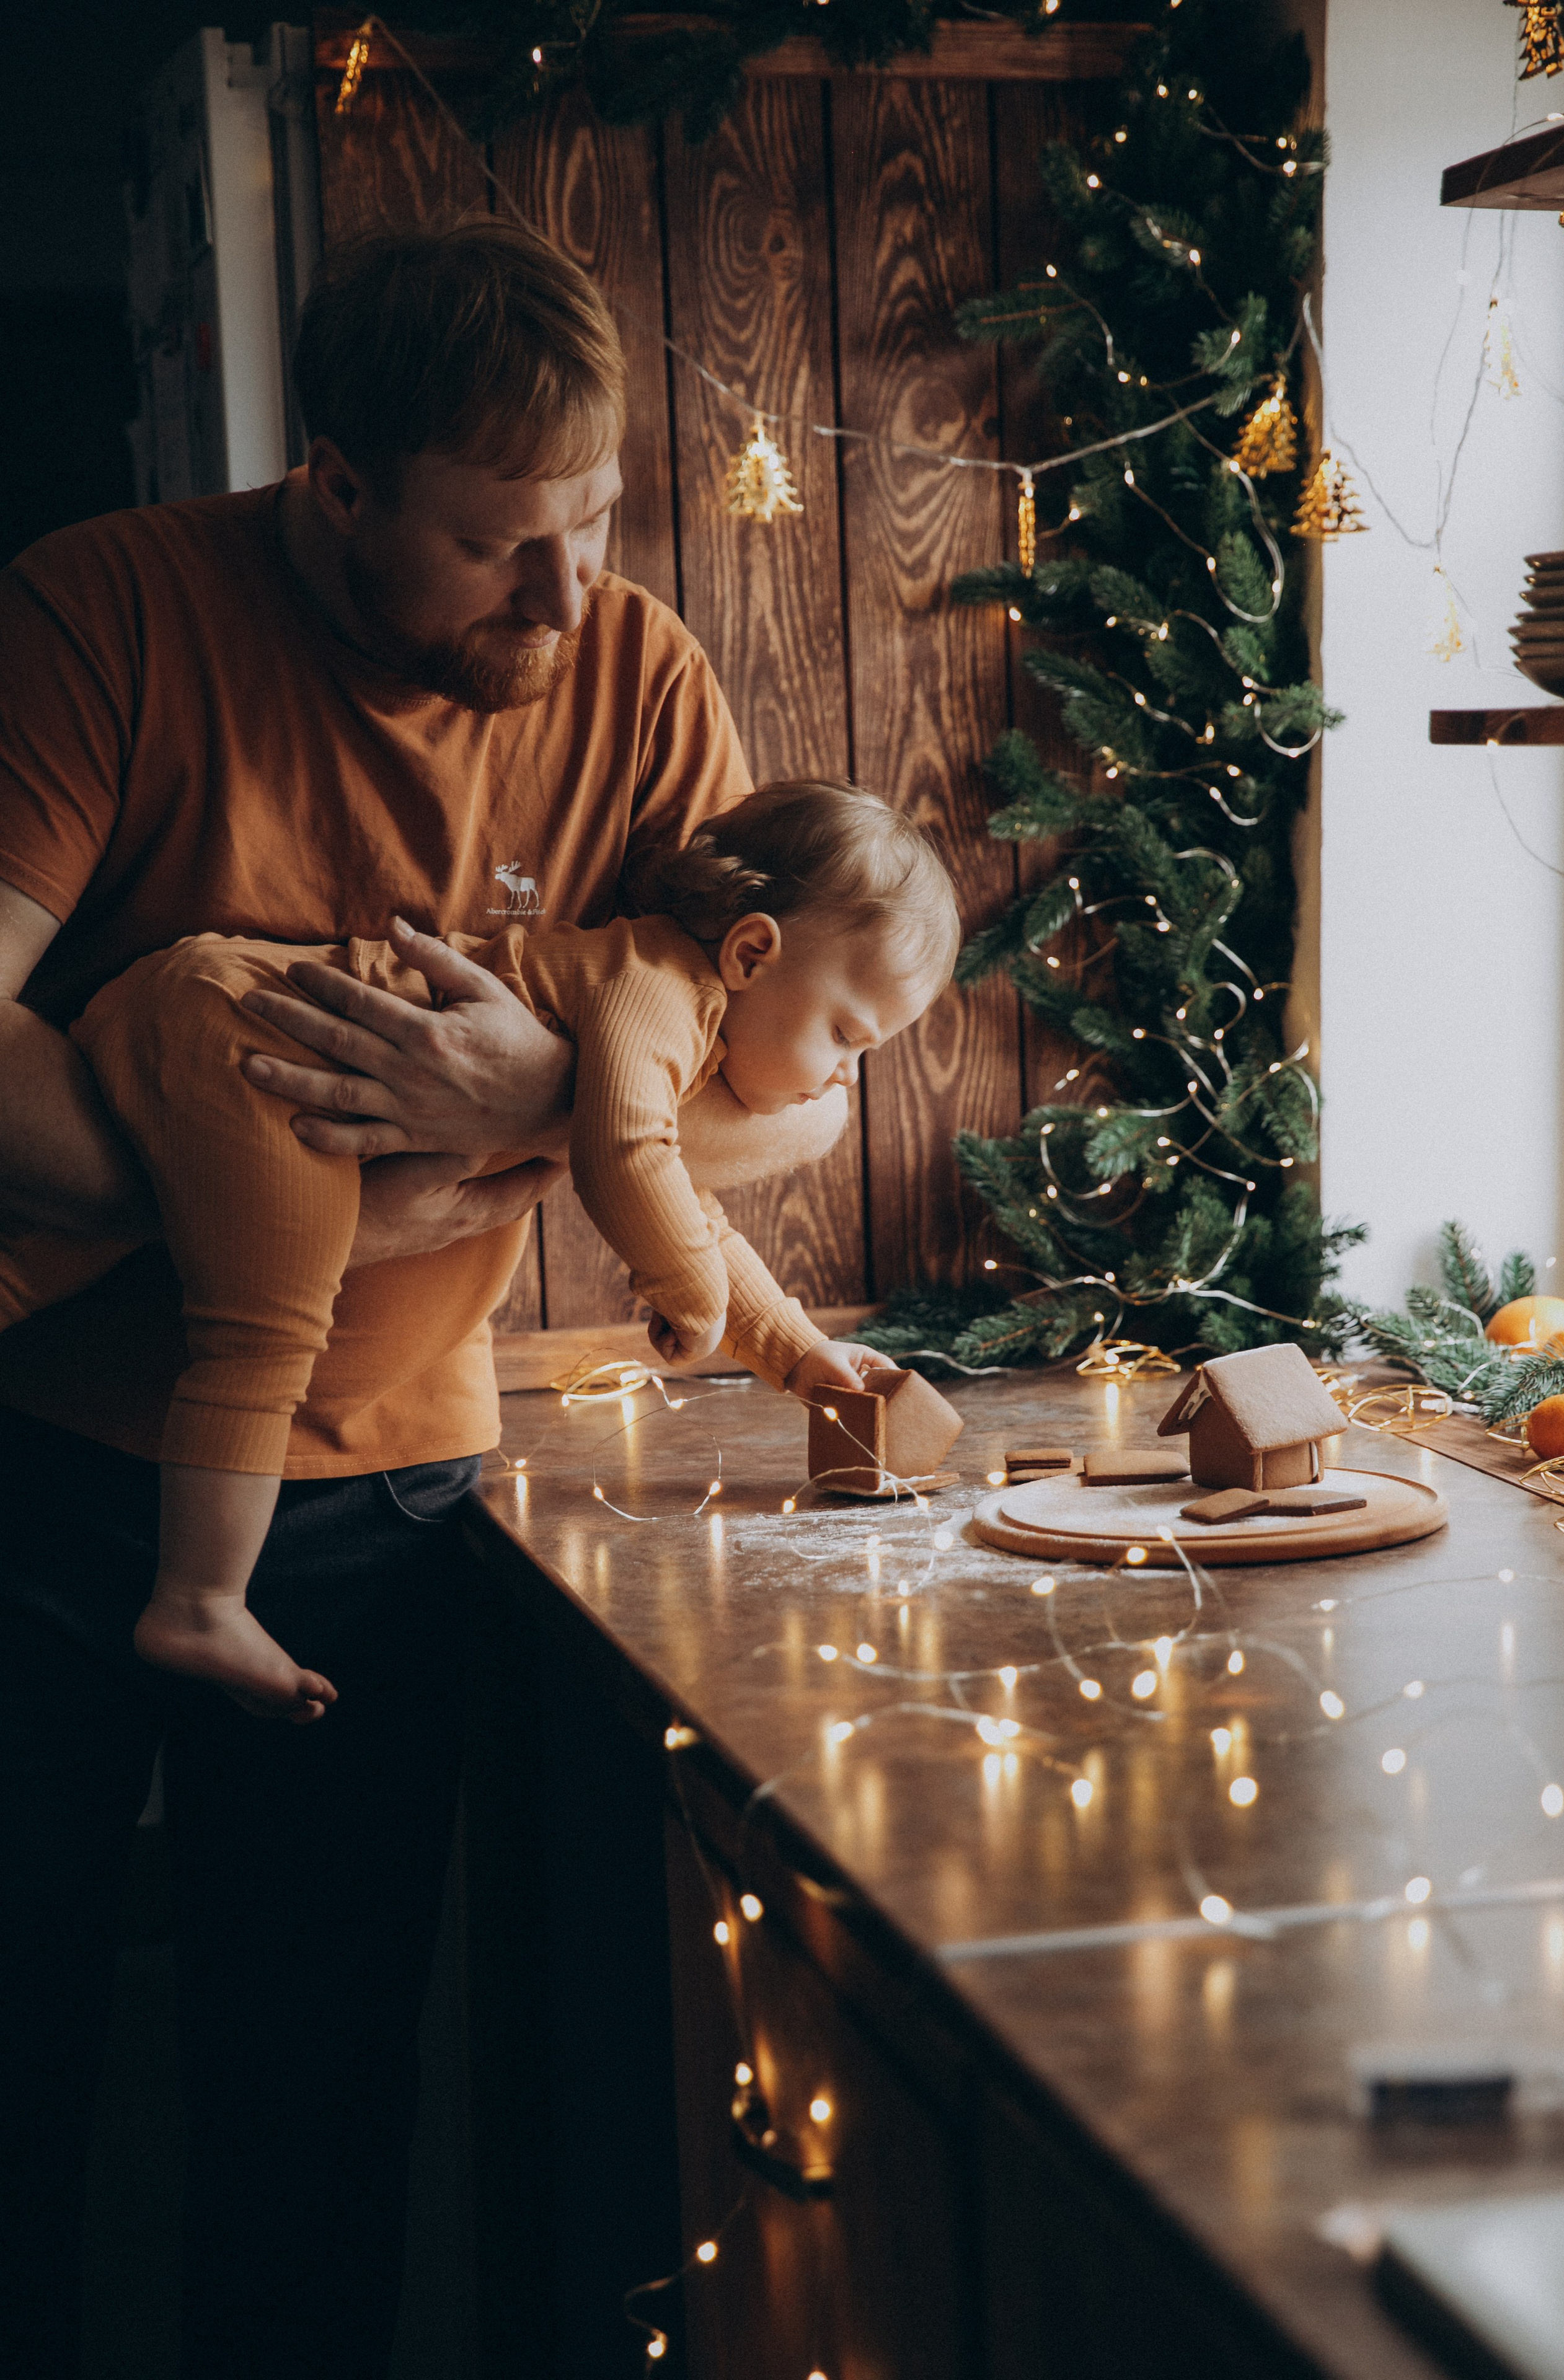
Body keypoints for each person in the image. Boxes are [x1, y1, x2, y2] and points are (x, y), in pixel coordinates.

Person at [0, 220, 870, 2376]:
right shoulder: (101, 609)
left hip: (384, 1503)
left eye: (596, 524)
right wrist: (260, 1205)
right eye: (498, 547)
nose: (566, 601)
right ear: (337, 487)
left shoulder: (640, 674)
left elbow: (788, 1110)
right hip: (39, 1461)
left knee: (314, 2105)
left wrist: (542, 1095)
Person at [0, 784, 958, 1719]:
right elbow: (626, 1152)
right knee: (269, 1323)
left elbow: (685, 1201)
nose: (847, 1076)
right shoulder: (659, 990)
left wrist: (797, 1353)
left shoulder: (670, 1008)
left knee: (63, 1250)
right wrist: (689, 1294)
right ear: (752, 952)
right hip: (241, 1034)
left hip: (198, 1007)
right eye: (847, 1035)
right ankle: (199, 1603)